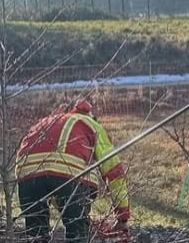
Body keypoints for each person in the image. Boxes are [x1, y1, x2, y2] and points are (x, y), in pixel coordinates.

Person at [15, 100, 130, 243]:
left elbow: (52, 177)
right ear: (91, 116)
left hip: (26, 174)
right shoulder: (91, 124)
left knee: (36, 233)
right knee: (77, 231)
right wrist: (123, 216)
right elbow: (114, 171)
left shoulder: (47, 121)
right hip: (70, 176)